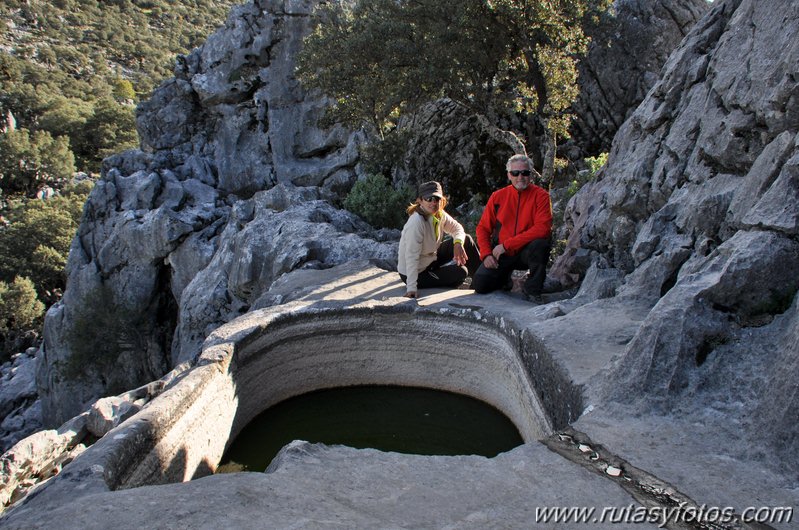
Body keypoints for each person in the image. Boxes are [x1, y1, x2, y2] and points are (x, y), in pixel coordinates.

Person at [472, 154, 552, 302]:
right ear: (509, 175)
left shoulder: (541, 196)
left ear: (531, 174)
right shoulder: (497, 197)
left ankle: (533, 289)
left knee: (541, 244)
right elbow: (483, 228)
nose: (520, 177)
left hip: (525, 252)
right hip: (501, 254)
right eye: (515, 173)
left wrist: (507, 245)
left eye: (525, 173)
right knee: (480, 284)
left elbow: (543, 229)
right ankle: (505, 280)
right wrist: (486, 254)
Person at [397, 181, 480, 298]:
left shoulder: (439, 214)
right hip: (417, 272)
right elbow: (411, 256)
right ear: (420, 200)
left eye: (437, 198)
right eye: (428, 198)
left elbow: (457, 228)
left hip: (430, 259)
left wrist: (458, 243)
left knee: (465, 239)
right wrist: (411, 287)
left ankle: (482, 280)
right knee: (461, 272)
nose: (433, 202)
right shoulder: (416, 222)